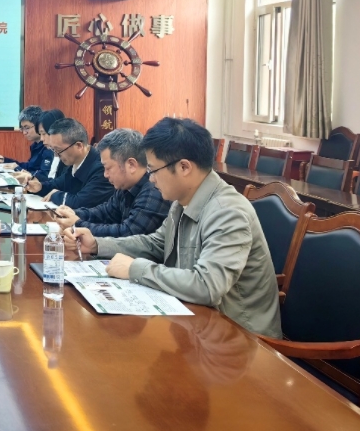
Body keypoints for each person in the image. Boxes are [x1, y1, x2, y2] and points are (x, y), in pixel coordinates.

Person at [64, 117, 282, 337]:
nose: (150, 180)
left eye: (153, 170)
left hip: (241, 337)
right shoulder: (183, 199)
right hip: (199, 323)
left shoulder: (228, 212)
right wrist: (97, 245)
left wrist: (135, 269)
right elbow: (156, 243)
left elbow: (207, 287)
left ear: (184, 167)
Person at [52, 128, 170, 238]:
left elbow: (127, 233)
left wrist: (78, 223)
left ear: (131, 165)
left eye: (108, 168)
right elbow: (105, 212)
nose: (105, 174)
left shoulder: (154, 190)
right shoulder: (125, 187)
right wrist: (74, 213)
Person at [29, 117, 114, 209]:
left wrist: (56, 195)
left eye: (58, 150)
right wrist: (40, 187)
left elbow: (80, 202)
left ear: (79, 146)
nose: (56, 155)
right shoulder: (74, 161)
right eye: (53, 150)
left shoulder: (101, 168)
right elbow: (58, 184)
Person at [0, 106, 53, 177]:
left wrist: (18, 169)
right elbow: (29, 166)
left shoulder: (48, 147)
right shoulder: (35, 145)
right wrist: (6, 161)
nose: (24, 132)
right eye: (22, 128)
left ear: (38, 125)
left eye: (27, 128)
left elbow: (44, 175)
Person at [15, 108, 65, 188]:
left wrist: (31, 175)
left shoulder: (53, 151)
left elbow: (46, 177)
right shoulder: (55, 153)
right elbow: (52, 183)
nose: (42, 139)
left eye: (44, 134)